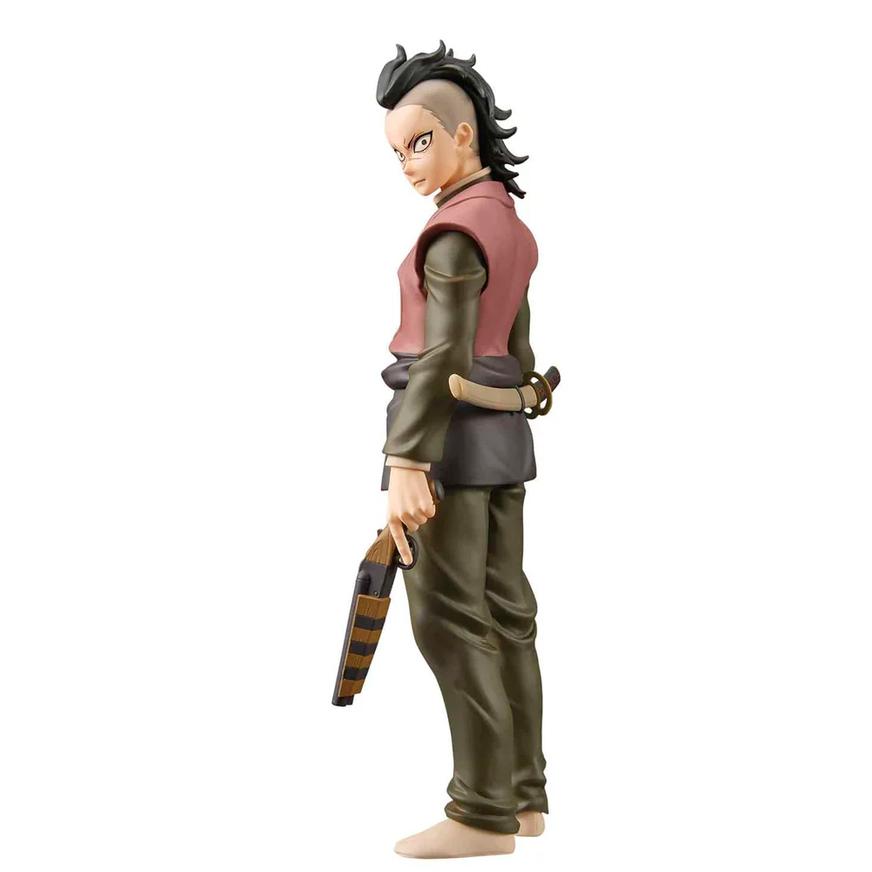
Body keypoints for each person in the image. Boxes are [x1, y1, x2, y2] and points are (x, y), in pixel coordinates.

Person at [377, 42, 548, 859]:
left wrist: (407, 461)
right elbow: (514, 343)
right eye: (397, 151)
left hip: (447, 441)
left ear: (463, 134)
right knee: (507, 615)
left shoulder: (451, 236)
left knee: (449, 619)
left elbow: (443, 355)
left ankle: (481, 812)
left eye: (419, 142)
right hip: (504, 440)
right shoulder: (508, 225)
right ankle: (522, 796)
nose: (409, 163)